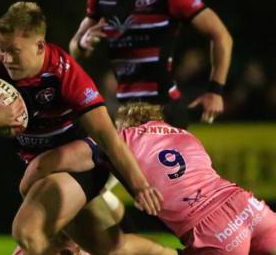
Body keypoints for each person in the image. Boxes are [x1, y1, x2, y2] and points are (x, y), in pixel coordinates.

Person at [0, 1, 175, 255]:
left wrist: (139, 185)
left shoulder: (63, 72)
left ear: (39, 46)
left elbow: (105, 134)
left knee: (28, 233)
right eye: (1, 49)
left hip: (79, 165)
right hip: (40, 172)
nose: (5, 58)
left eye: (13, 51)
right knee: (111, 249)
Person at [21, 102, 276, 255]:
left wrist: (28, 189)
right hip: (247, 206)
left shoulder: (120, 140)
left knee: (117, 248)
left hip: (211, 230)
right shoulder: (184, 135)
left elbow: (49, 162)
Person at [69, 0, 233, 128]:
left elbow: (221, 35)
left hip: (164, 110)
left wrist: (215, 91)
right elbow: (74, 48)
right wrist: (82, 45)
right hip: (124, 113)